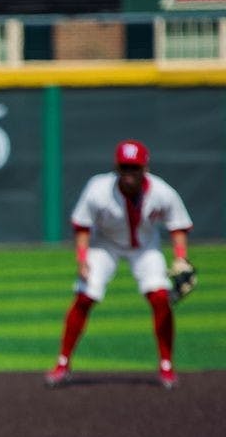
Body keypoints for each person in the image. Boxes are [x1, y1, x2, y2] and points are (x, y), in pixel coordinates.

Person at [45, 139, 193, 389]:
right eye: (124, 167)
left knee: (159, 297)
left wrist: (180, 257)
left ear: (145, 168)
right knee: (84, 297)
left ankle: (166, 365)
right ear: (116, 167)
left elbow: (177, 225)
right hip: (105, 245)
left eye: (134, 168)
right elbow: (82, 226)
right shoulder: (98, 189)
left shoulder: (162, 192)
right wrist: (82, 260)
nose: (129, 174)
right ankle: (62, 363)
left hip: (145, 247)